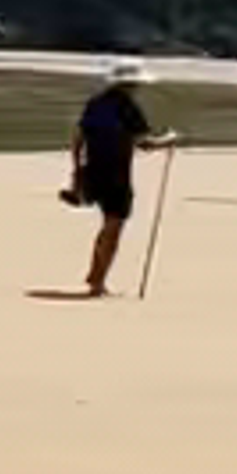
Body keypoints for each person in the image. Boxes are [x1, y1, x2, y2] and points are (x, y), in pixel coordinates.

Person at [65, 59, 164, 296]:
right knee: (113, 226)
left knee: (108, 224)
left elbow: (78, 139)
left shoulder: (95, 104)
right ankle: (97, 281)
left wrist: (77, 171)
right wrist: (169, 141)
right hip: (117, 174)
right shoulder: (127, 107)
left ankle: (95, 275)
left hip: (92, 171)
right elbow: (145, 143)